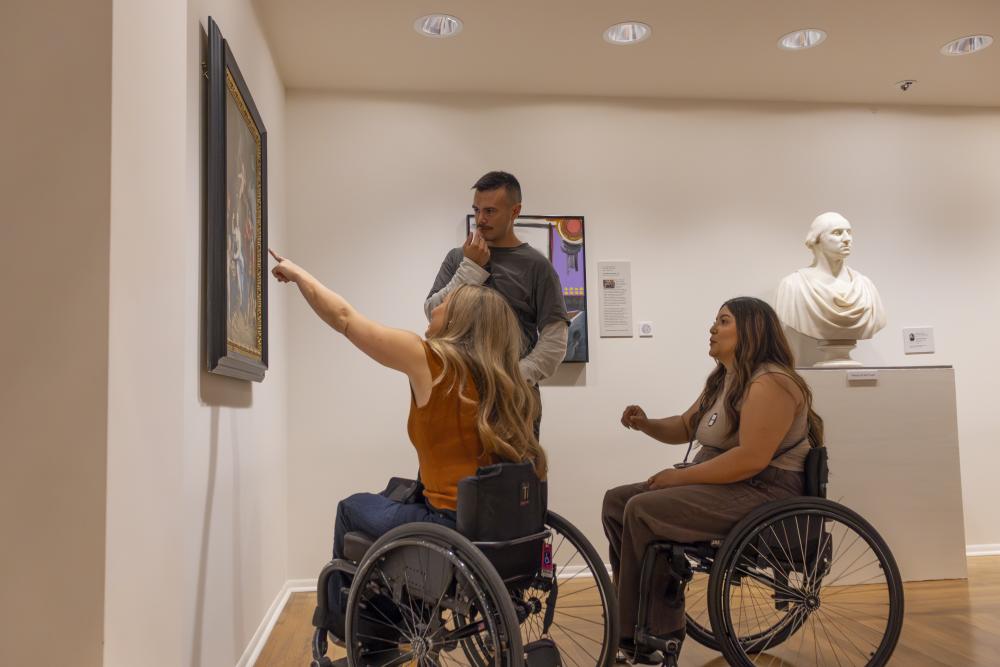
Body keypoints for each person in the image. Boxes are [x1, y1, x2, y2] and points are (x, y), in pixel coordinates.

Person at [269, 249, 546, 653]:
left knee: (351, 509)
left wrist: (297, 274)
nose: (435, 306)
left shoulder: (432, 361)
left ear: (459, 319)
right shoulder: (510, 382)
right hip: (502, 529)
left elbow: (344, 318)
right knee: (396, 490)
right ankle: (405, 610)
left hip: (449, 526)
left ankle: (356, 627)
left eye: (445, 303)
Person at [602, 297, 824, 665]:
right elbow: (685, 426)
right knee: (617, 502)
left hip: (765, 490)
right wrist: (646, 424)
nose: (712, 329)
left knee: (642, 509)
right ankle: (642, 617)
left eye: (723, 321)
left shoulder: (772, 382)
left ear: (751, 329)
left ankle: (650, 631)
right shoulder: (725, 379)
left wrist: (679, 478)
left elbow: (751, 459)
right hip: (734, 484)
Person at [425, 171, 570, 433]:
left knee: (514, 463)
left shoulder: (538, 267)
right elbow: (433, 313)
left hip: (513, 402)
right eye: (476, 210)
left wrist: (511, 379)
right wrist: (470, 268)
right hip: (458, 394)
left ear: (515, 211)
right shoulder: (458, 257)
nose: (480, 219)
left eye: (490, 211)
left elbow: (555, 341)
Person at [776, 211, 886, 341]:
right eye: (837, 233)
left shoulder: (865, 286)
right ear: (817, 240)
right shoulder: (793, 286)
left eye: (849, 232)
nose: (847, 239)